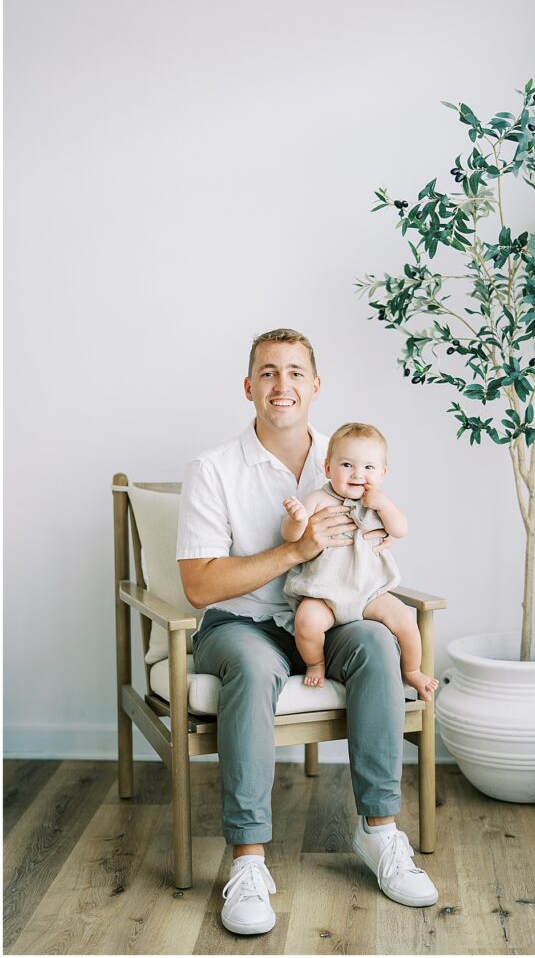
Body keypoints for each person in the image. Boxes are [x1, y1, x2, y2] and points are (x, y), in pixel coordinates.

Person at [177, 328, 438, 937]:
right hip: (238, 623)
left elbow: (383, 538)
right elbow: (199, 586)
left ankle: (380, 831)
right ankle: (247, 861)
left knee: (377, 643)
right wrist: (295, 550)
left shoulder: (352, 457)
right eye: (268, 372)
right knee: (254, 663)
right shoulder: (213, 469)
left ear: (315, 386)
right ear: (249, 387)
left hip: (331, 616)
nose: (282, 384)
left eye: (295, 372)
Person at [280, 422, 440, 702]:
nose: (357, 474)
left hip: (369, 593)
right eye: (346, 465)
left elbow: (400, 529)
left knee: (404, 619)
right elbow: (290, 537)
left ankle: (413, 670)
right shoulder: (318, 498)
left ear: (382, 473)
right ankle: (316, 663)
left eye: (368, 467)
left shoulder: (377, 503)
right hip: (324, 593)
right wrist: (297, 520)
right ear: (328, 469)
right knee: (306, 621)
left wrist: (383, 505)